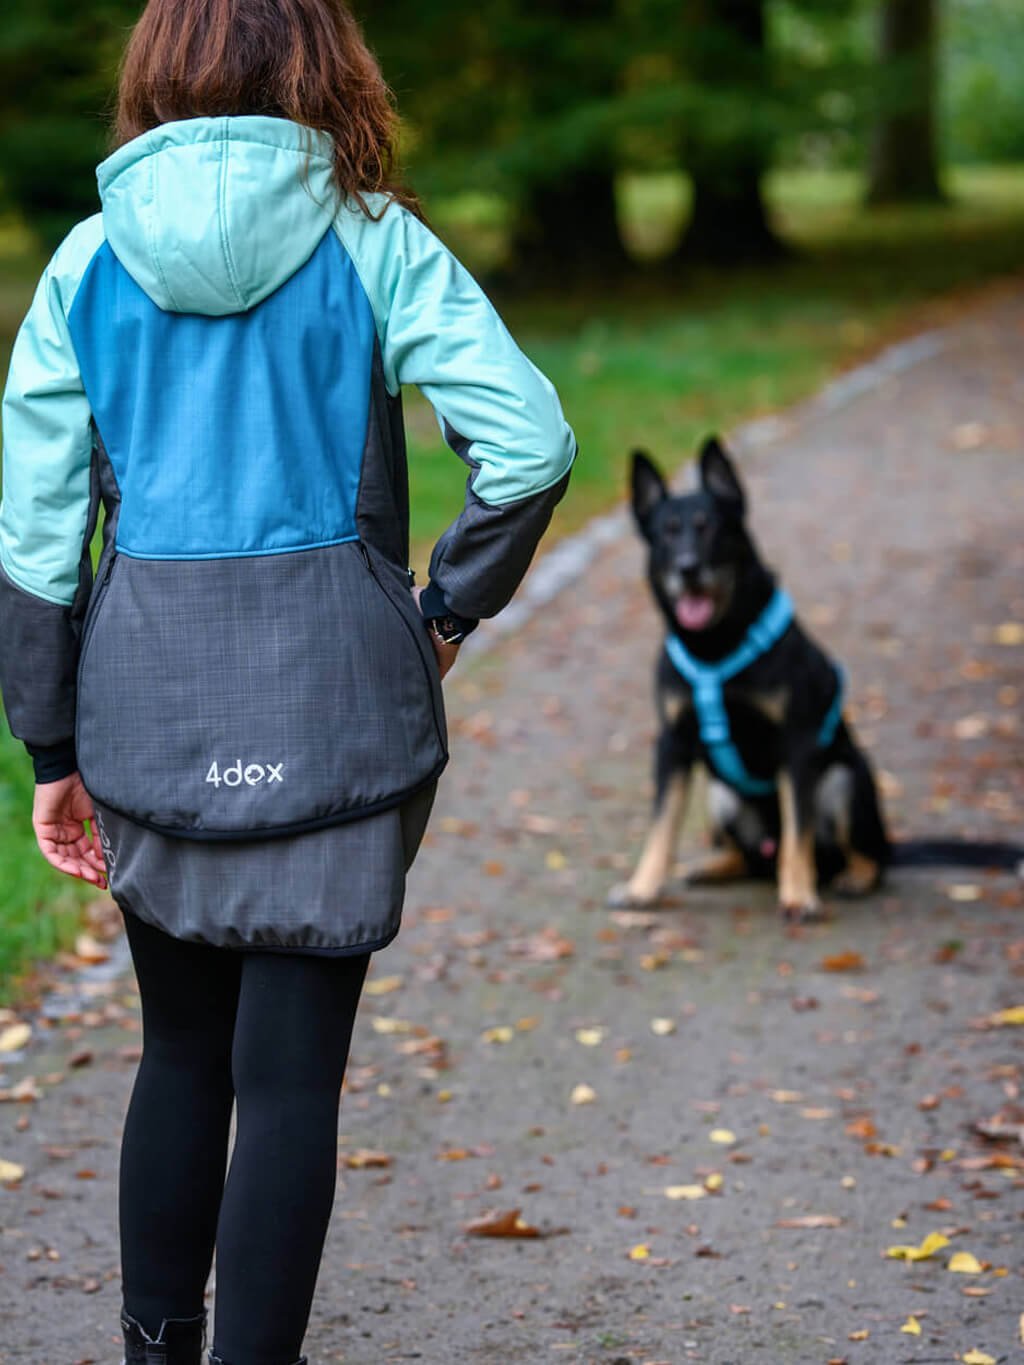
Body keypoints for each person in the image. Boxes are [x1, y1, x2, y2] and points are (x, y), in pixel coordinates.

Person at [0, 1, 576, 1361]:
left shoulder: (85, 267)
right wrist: (443, 608)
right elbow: (534, 440)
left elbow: (33, 533)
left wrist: (49, 743)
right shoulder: (374, 242)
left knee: (179, 1052)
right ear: (324, 71)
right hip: (338, 711)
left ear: (152, 77)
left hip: (147, 706)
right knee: (291, 1079)